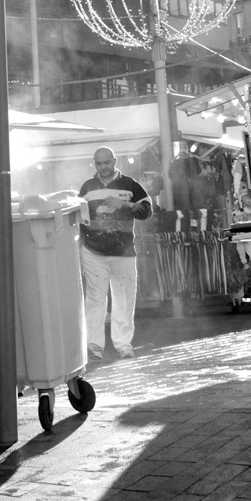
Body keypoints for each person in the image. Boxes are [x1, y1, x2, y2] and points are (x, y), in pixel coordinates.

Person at [78, 146, 150, 362]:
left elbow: (147, 212)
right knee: (95, 299)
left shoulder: (131, 185)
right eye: (98, 163)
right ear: (94, 164)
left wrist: (125, 205)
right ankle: (94, 346)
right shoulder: (87, 187)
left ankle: (123, 345)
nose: (103, 167)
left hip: (123, 251)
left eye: (106, 162)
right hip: (93, 250)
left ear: (115, 161)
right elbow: (79, 218)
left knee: (124, 299)